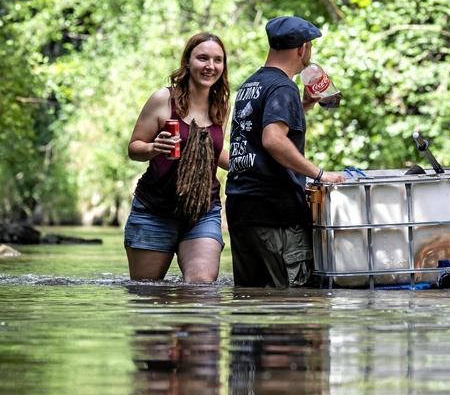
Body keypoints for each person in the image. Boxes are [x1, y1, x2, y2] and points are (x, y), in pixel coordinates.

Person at [226, 16, 345, 288]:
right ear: (302, 48)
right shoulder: (283, 86)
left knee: (251, 305)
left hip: (242, 208)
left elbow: (259, 132)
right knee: (287, 303)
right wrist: (320, 174)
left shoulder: (251, 85)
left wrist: (302, 105)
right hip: (275, 213)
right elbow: (272, 139)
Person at [124, 32, 230, 283]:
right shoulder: (163, 99)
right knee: (147, 294)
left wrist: (249, 165)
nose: (210, 66)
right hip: (155, 210)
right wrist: (153, 148)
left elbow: (214, 153)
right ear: (188, 62)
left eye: (217, 60)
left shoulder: (221, 105)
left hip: (202, 211)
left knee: (201, 287)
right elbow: (133, 148)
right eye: (202, 58)